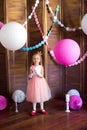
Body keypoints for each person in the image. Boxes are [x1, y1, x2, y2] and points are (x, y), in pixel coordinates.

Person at [26, 51, 51, 116]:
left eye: (37, 58)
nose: (36, 60)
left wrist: (38, 73)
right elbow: (30, 76)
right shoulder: (31, 67)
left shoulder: (41, 67)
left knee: (41, 95)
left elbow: (42, 75)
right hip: (33, 82)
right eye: (34, 58)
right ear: (33, 60)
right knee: (34, 95)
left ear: (39, 60)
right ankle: (34, 109)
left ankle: (42, 108)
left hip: (40, 82)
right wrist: (31, 74)